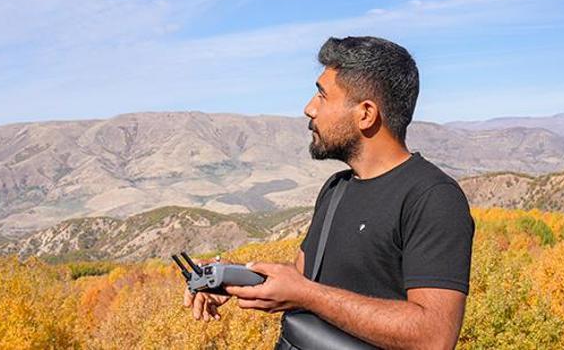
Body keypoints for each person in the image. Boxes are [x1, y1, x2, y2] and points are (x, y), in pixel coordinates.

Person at [184, 36, 474, 350]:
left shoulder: (433, 197)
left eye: (322, 95)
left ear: (365, 114)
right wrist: (230, 276)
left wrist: (307, 294)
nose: (309, 108)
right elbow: (301, 278)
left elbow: (434, 337)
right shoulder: (337, 188)